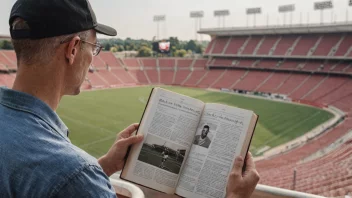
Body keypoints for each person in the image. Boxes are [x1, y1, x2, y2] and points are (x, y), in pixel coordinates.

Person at [0, 0, 259, 197]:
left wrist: (105, 165)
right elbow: (67, 180)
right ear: (73, 49)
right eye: (95, 48)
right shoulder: (73, 173)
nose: (93, 59)